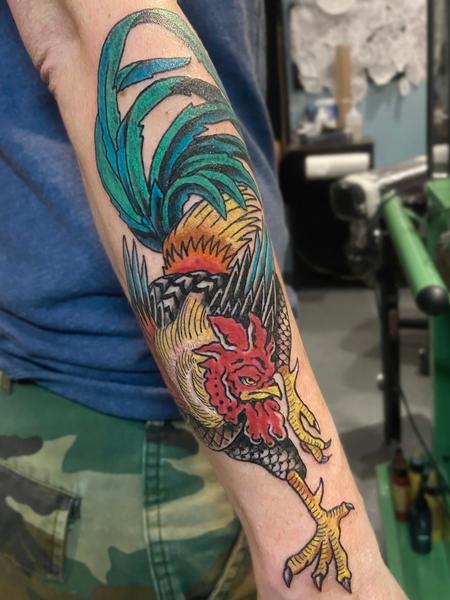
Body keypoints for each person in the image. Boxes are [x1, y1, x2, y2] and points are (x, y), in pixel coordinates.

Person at [1, 1, 405, 599]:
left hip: (154, 421)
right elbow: (88, 37)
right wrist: (324, 566)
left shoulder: (234, 354)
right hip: (127, 438)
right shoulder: (208, 355)